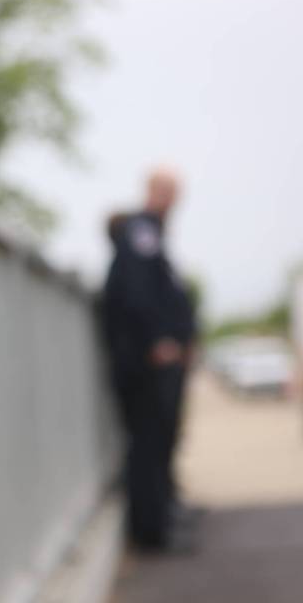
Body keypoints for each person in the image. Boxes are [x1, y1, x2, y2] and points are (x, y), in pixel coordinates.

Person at [102, 167, 198, 552]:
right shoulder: (143, 230)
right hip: (146, 364)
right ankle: (152, 534)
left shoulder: (149, 231)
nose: (172, 199)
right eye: (168, 190)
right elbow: (137, 292)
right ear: (154, 191)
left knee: (156, 444)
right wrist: (159, 341)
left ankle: (158, 523)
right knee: (148, 446)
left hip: (149, 360)